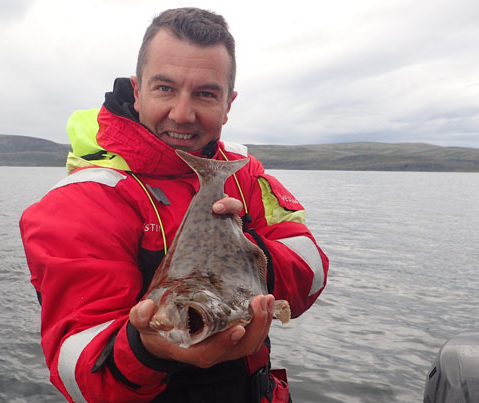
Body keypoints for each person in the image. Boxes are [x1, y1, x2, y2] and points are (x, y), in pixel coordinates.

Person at [20, 7, 329, 403]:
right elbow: (78, 368)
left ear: (229, 103)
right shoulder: (81, 201)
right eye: (164, 88)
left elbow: (312, 267)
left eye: (205, 93)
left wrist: (246, 254)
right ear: (137, 90)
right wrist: (146, 347)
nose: (182, 115)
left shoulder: (244, 172)